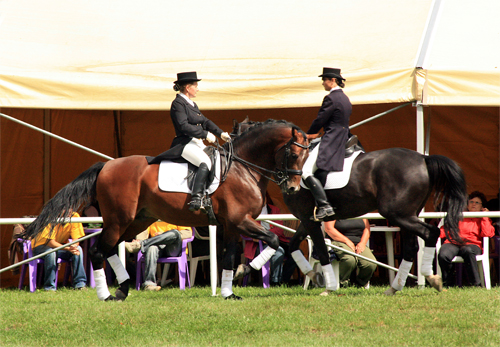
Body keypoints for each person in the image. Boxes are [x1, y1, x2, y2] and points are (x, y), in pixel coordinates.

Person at [169, 71, 231, 212]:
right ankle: (196, 198)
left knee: (216, 159)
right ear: (187, 88)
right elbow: (183, 126)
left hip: (196, 143)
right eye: (195, 85)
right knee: (205, 162)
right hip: (184, 143)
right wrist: (205, 134)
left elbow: (205, 121)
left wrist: (220, 133)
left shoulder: (192, 104)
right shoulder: (178, 104)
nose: (198, 88)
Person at [302, 67, 352, 221]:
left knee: (305, 172)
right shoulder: (345, 98)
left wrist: (308, 134)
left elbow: (320, 119)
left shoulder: (331, 98)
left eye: (325, 80)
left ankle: (324, 205)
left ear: (333, 80)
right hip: (343, 137)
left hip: (332, 139)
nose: (323, 83)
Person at [438, 191, 495, 287]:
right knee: (443, 254)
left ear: (482, 207)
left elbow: (488, 233)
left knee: (467, 250)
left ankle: (475, 285)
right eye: (471, 202)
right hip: (453, 242)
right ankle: (448, 285)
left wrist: (485, 216)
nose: (473, 204)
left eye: (477, 202)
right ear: (467, 205)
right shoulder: (459, 216)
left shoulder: (482, 218)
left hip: (472, 244)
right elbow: (444, 231)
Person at [242, 196, 296, 286]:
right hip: (258, 245)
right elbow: (243, 229)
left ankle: (284, 281)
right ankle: (275, 282)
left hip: (277, 240)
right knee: (279, 252)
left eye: (263, 196)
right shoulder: (249, 211)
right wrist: (260, 237)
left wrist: (267, 236)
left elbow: (279, 229)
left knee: (296, 253)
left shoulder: (274, 209)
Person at [128, 221, 192, 291]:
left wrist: (164, 235)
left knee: (175, 233)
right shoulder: (153, 215)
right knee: (151, 248)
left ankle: (142, 244)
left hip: (173, 248)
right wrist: (139, 239)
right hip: (157, 246)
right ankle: (149, 284)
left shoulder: (176, 215)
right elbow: (143, 231)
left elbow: (188, 233)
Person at [32, 211, 87, 291]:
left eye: (70, 206)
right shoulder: (50, 216)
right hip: (41, 246)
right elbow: (51, 243)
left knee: (79, 250)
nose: (68, 210)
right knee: (51, 253)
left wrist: (74, 246)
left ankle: (80, 285)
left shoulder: (74, 216)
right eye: (65, 207)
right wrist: (68, 248)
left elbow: (76, 238)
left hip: (59, 246)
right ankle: (49, 287)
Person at [323, 219, 377, 288]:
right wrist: (346, 241)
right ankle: (342, 283)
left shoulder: (360, 210)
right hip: (338, 241)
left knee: (370, 263)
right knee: (349, 260)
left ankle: (359, 284)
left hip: (358, 243)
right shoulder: (334, 210)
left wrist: (362, 243)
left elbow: (367, 228)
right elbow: (329, 229)